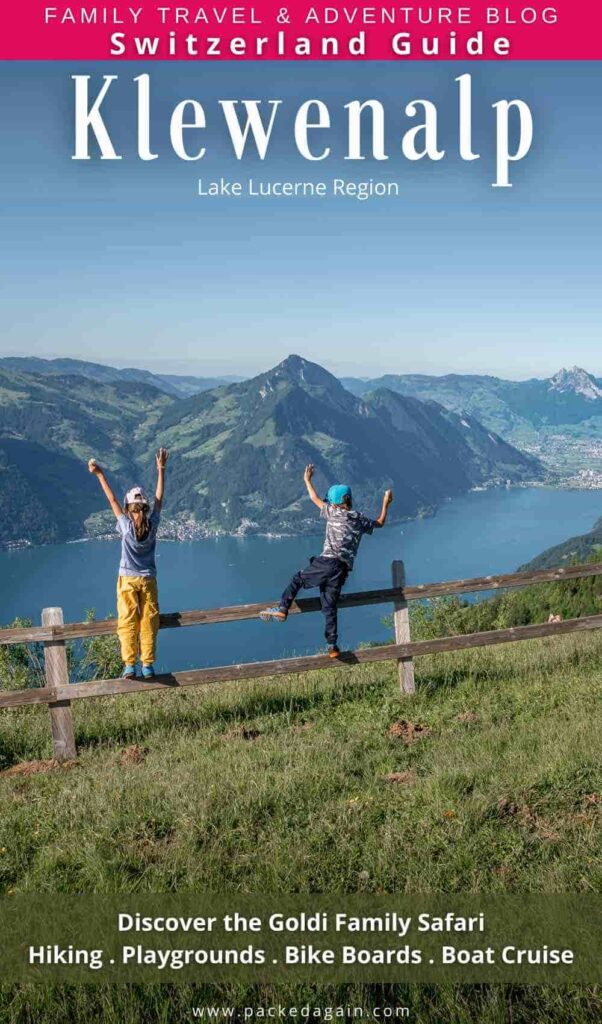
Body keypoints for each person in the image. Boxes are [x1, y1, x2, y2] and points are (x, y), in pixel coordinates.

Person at [260, 464, 393, 657]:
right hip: (342, 569)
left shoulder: (332, 512)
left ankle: (282, 608)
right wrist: (385, 502)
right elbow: (380, 522)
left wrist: (307, 480)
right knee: (329, 605)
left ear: (335, 502)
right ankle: (332, 645)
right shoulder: (359, 519)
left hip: (327, 561)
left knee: (298, 579)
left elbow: (314, 498)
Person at [87, 449, 169, 679]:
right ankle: (148, 664)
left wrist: (99, 474)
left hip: (127, 579)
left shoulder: (125, 525)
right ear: (145, 508)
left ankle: (130, 665)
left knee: (127, 620)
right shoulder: (152, 524)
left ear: (128, 508)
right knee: (149, 621)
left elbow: (111, 498)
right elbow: (160, 499)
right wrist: (161, 469)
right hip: (148, 579)